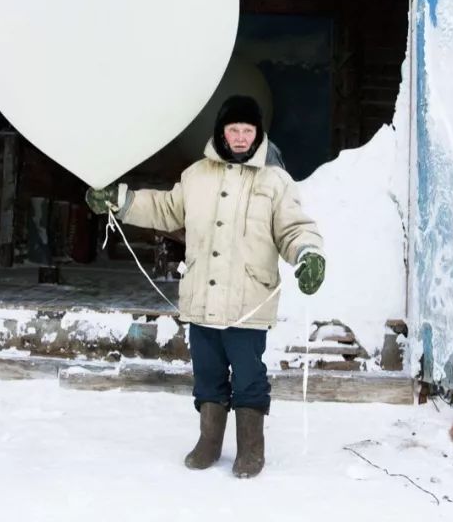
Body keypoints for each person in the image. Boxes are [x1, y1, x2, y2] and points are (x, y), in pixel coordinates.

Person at [85, 95, 326, 479]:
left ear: (258, 133)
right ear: (222, 132)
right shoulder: (196, 175)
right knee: (208, 375)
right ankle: (209, 442)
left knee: (248, 378)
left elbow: (294, 229)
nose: (242, 137)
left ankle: (251, 449)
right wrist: (122, 201)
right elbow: (166, 210)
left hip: (249, 302)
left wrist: (309, 254)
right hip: (201, 298)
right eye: (235, 129)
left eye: (249, 130)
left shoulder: (275, 181)